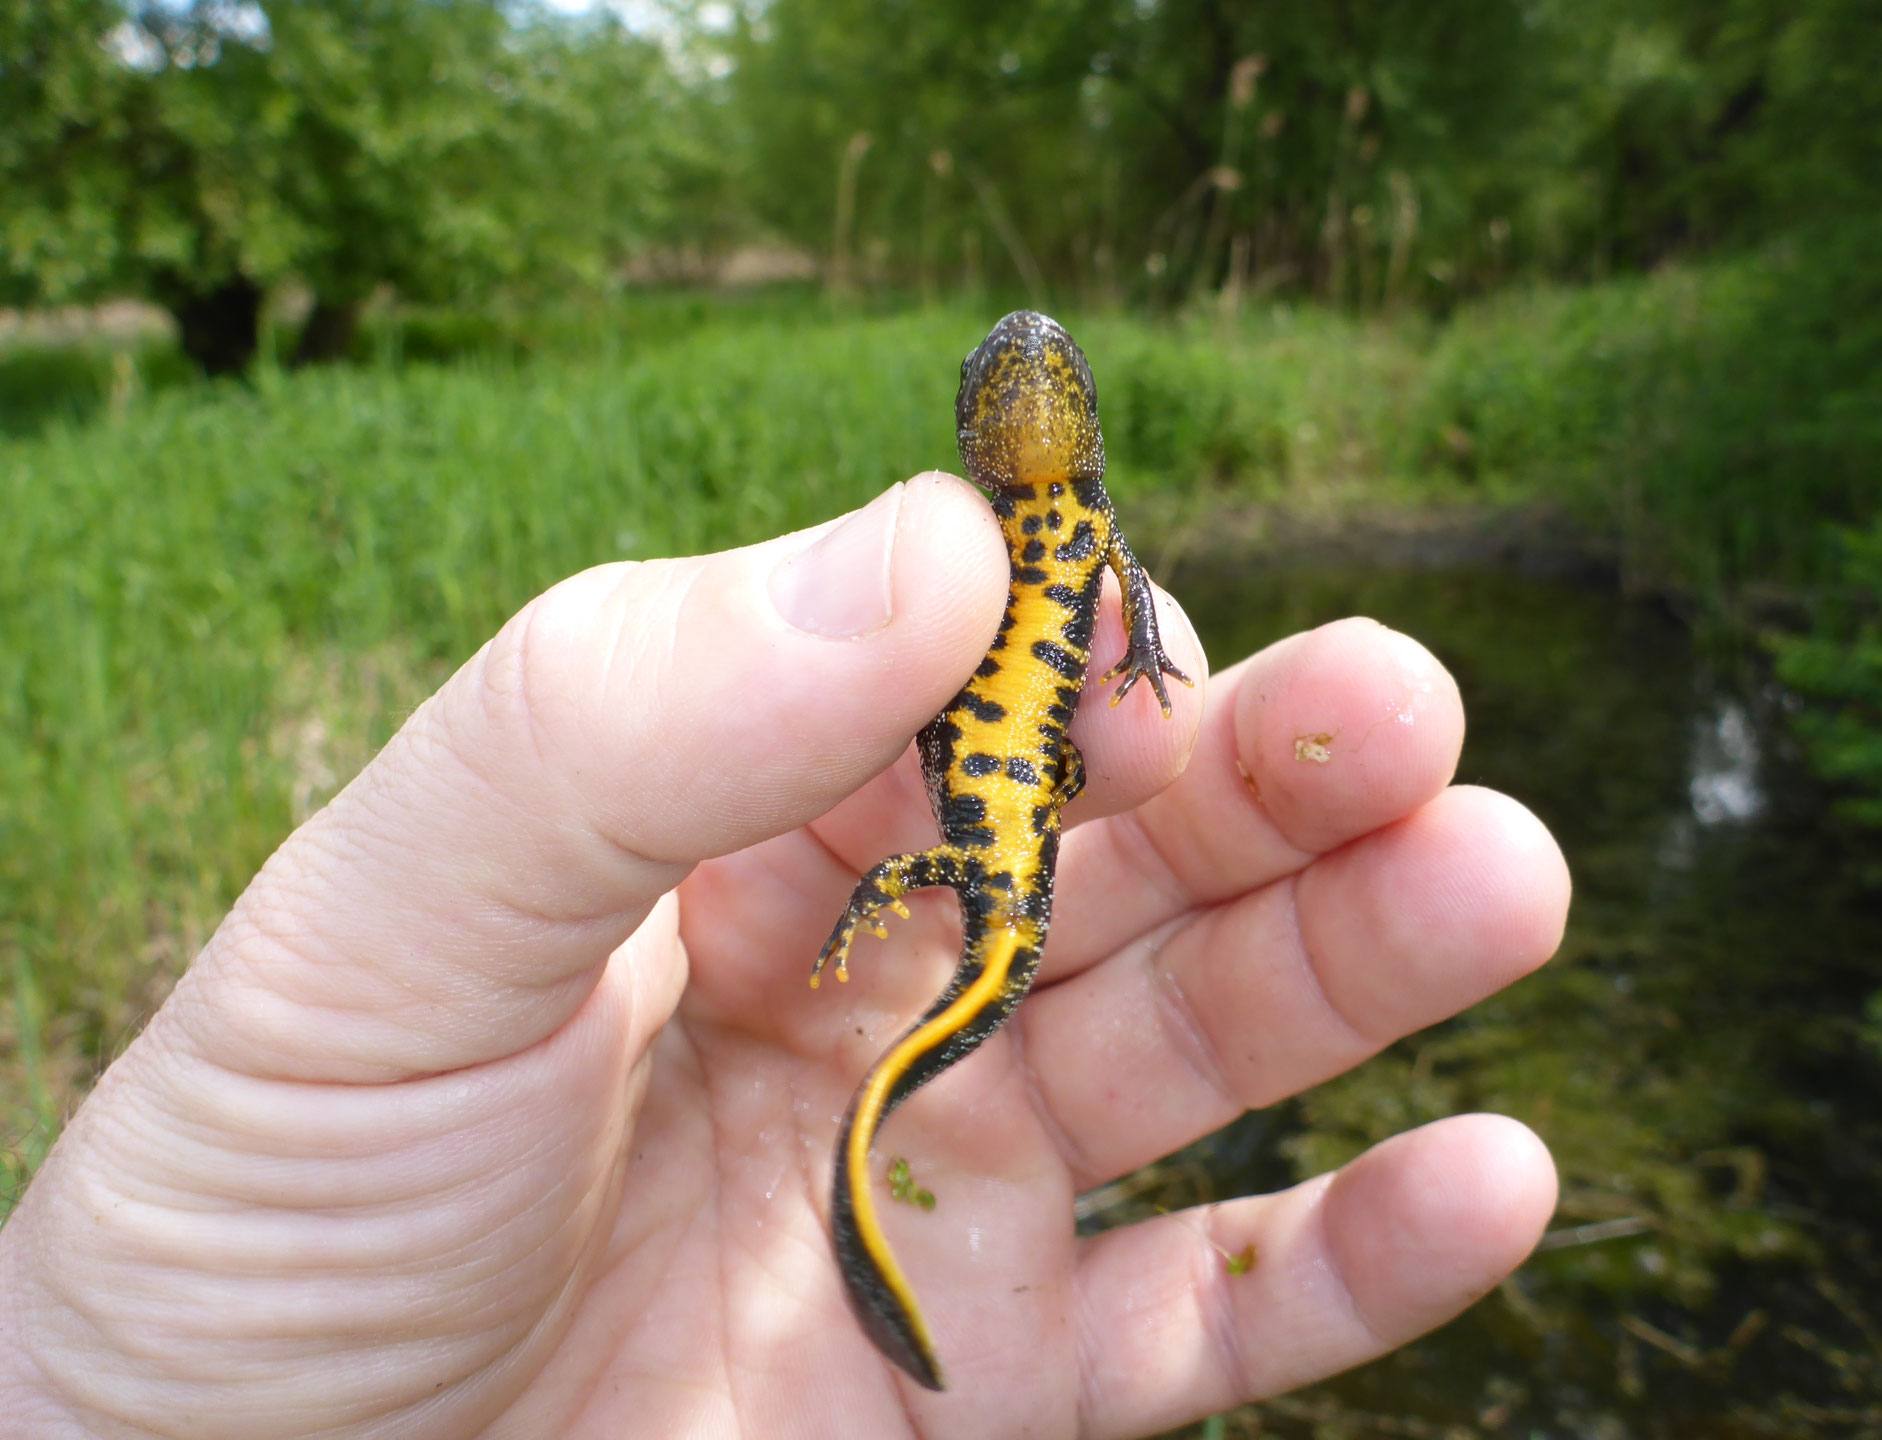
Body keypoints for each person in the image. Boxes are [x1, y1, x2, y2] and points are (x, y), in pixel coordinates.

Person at [0, 473, 1568, 1438]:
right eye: (997, 392)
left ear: (1074, 425)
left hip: (1012, 835)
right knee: (942, 911)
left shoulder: (1084, 531)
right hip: (989, 815)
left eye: (1048, 388)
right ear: (976, 430)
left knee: (983, 910)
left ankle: (891, 1060)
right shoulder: (994, 538)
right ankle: (880, 1081)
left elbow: (1124, 635)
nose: (1024, 402)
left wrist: (1139, 648)